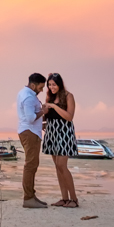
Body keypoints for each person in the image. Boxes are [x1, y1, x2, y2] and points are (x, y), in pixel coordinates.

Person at [41, 72, 79, 207]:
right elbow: (46, 116)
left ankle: (74, 199)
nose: (51, 87)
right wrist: (44, 112)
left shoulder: (69, 96)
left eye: (54, 84)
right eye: (49, 85)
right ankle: (64, 198)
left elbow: (69, 117)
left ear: (60, 84)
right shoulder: (49, 97)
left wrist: (54, 106)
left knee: (63, 166)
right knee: (57, 167)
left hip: (64, 133)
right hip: (52, 133)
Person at [16, 73, 47, 207]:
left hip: (28, 131)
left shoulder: (23, 93)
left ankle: (31, 196)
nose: (41, 90)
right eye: (40, 88)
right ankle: (28, 198)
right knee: (30, 165)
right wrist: (44, 111)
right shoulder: (29, 97)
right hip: (30, 133)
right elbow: (30, 118)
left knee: (32, 165)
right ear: (33, 85)